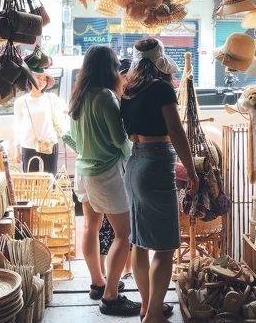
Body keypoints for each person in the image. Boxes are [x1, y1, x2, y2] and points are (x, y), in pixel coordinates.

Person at [121, 38, 199, 323]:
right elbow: (177, 133)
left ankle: (147, 305)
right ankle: (154, 314)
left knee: (139, 243)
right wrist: (191, 170)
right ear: (160, 59)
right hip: (156, 165)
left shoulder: (128, 89)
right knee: (165, 247)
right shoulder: (162, 88)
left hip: (134, 164)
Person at [69, 46, 141, 317]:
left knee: (91, 226)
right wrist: (135, 156)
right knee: (124, 234)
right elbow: (119, 140)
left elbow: (73, 139)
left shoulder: (79, 96)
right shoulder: (106, 97)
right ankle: (111, 297)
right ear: (110, 68)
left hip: (84, 171)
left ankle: (98, 283)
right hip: (106, 173)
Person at [98, 59, 133, 279]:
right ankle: (108, 277)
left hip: (119, 170)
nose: (127, 81)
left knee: (123, 230)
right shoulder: (110, 98)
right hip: (114, 169)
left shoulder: (125, 99)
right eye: (125, 76)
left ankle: (125, 270)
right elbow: (120, 139)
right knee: (114, 230)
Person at [13, 69, 67, 175]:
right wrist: (17, 150)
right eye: (38, 77)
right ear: (30, 79)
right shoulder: (20, 102)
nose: (41, 81)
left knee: (50, 181)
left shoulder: (51, 98)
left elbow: (67, 110)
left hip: (50, 144)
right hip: (29, 145)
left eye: (44, 79)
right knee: (32, 183)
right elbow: (17, 126)